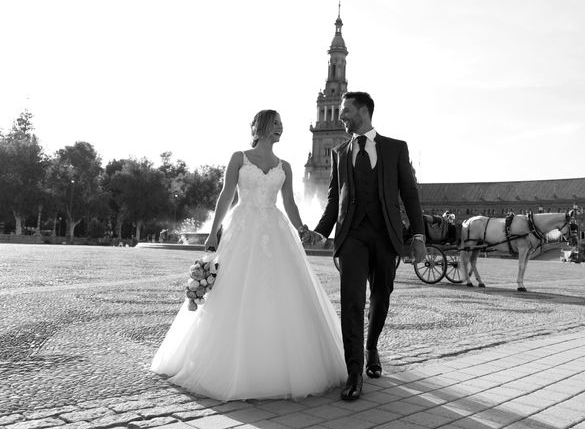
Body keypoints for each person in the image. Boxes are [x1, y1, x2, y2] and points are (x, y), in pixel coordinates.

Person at [151, 110, 345, 401]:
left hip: (275, 228)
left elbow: (289, 202)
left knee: (281, 292)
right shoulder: (239, 158)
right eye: (276, 123)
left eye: (281, 124)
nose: (281, 128)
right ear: (261, 126)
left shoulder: (286, 166)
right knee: (231, 290)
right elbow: (226, 195)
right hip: (241, 227)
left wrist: (302, 228)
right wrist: (213, 231)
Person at [306, 92, 427, 401]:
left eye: (346, 111)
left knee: (382, 296)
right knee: (351, 301)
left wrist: (418, 235)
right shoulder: (339, 152)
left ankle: (372, 346)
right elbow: (335, 200)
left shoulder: (395, 148)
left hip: (387, 235)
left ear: (363, 110)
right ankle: (354, 372)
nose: (341, 116)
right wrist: (320, 232)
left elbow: (410, 194)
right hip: (352, 238)